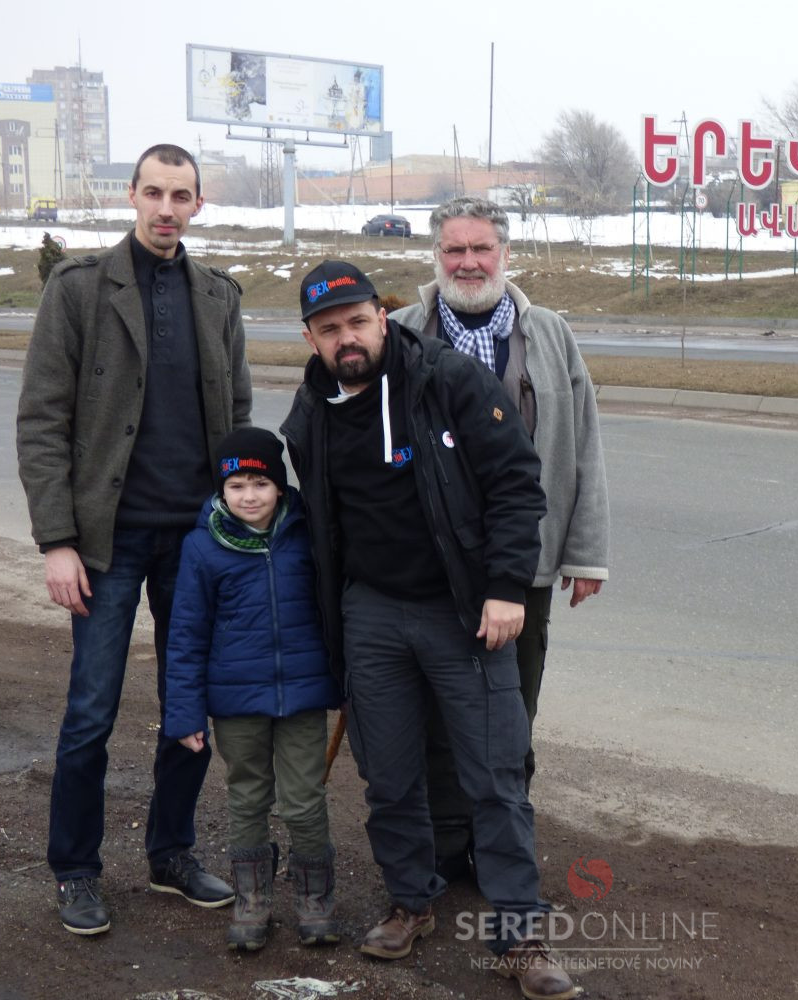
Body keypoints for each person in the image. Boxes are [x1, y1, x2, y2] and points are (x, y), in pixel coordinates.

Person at [281, 261, 577, 1000]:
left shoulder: (446, 380)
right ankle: (411, 900)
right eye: (329, 329)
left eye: (357, 322)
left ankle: (521, 933)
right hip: (371, 615)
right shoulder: (311, 412)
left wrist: (505, 588)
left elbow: (516, 484)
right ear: (311, 338)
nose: (347, 339)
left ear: (382, 319)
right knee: (389, 775)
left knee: (495, 778)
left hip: (461, 610)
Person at [16, 143, 249, 936]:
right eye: (154, 192)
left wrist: (238, 525)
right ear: (132, 195)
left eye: (180, 196)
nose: (166, 209)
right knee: (91, 710)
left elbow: (237, 415)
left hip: (195, 542)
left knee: (191, 703)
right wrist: (57, 539)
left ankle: (171, 853)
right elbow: (42, 419)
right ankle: (76, 869)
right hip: (105, 544)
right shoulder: (79, 288)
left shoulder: (217, 295)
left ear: (198, 204)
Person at [391, 196, 610, 879]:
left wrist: (586, 553)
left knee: (511, 713)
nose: (468, 262)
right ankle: (444, 848)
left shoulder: (548, 333)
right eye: (454, 249)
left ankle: (499, 847)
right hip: (427, 566)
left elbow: (581, 443)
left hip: (523, 564)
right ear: (436, 256)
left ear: (505, 254)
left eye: (481, 248)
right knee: (435, 718)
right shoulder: (402, 332)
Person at [165, 427, 341, 952]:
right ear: (221, 490)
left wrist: (347, 679)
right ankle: (252, 899)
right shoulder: (202, 548)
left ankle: (314, 899)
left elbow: (337, 610)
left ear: (279, 487)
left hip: (303, 696)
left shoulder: (307, 535)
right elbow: (186, 635)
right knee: (247, 796)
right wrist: (184, 713)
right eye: (236, 485)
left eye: (260, 484)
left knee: (304, 800)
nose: (248, 496)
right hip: (236, 701)